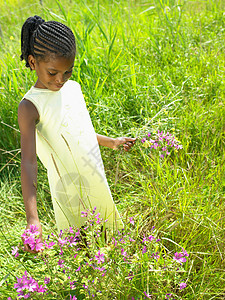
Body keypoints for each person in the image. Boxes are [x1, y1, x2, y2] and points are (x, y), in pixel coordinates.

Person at [18, 15, 137, 253]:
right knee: (79, 243)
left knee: (108, 233)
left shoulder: (73, 89)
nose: (60, 80)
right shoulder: (30, 107)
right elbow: (28, 162)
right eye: (52, 73)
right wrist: (33, 218)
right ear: (32, 62)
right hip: (68, 186)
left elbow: (79, 130)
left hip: (94, 173)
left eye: (67, 72)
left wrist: (111, 142)